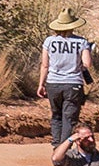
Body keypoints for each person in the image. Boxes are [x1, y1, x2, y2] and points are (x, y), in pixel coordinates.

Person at [37, 8, 93, 145]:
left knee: (56, 116)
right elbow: (88, 63)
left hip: (53, 83)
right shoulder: (81, 42)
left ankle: (57, 147)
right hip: (73, 84)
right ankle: (65, 149)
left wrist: (41, 84)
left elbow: (45, 65)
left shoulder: (49, 41)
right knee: (69, 118)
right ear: (73, 25)